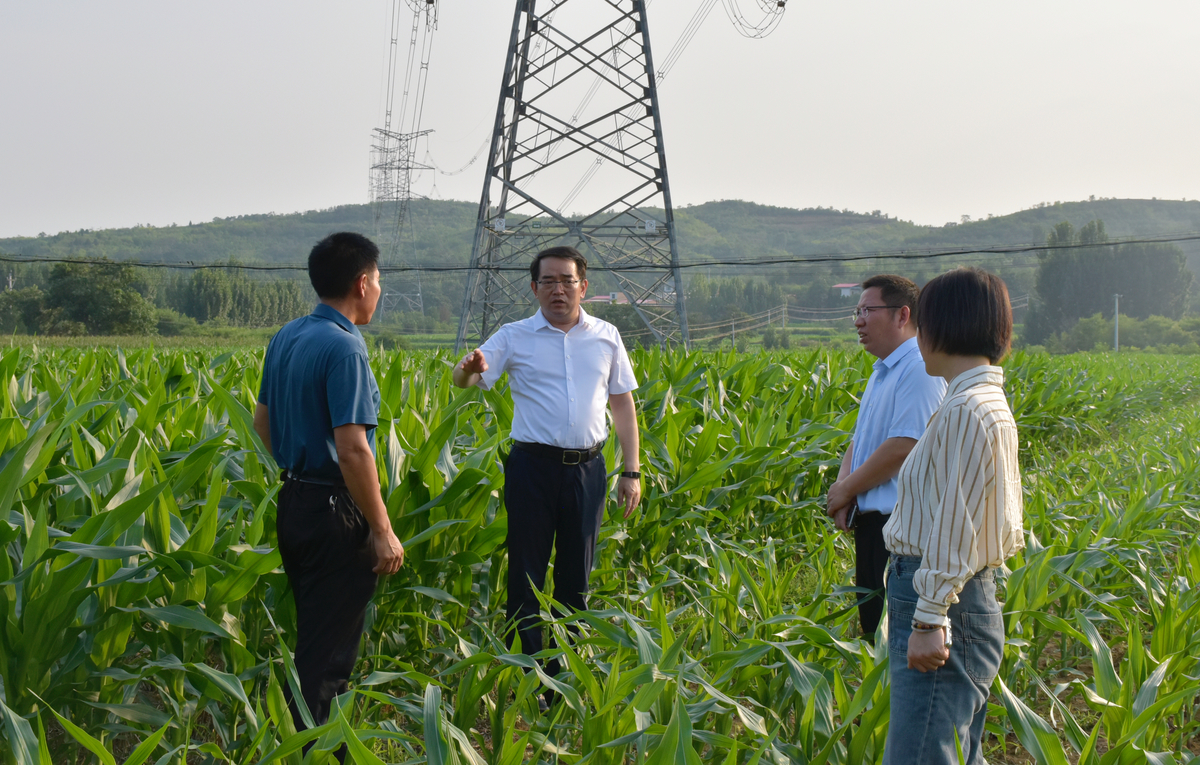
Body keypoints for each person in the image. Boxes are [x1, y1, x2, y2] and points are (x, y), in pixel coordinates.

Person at [452, 245, 642, 686]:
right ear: (534, 288)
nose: (559, 290)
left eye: (567, 281)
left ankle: (565, 673)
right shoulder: (513, 336)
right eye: (549, 282)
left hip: (588, 470)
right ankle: (530, 674)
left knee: (577, 575)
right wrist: (467, 369)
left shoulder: (606, 335)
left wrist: (630, 471)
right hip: (532, 469)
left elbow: (623, 405)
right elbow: (465, 380)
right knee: (526, 573)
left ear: (583, 286)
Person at [253, 232, 405, 754]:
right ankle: (313, 751)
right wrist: (381, 529)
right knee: (328, 660)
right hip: (336, 512)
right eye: (379, 280)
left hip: (295, 501)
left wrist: (298, 470)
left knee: (314, 641)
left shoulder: (288, 335)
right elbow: (354, 450)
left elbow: (262, 422)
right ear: (362, 283)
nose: (380, 290)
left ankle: (317, 747)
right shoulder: (344, 348)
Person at [882, 267, 1023, 765]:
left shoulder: (966, 407)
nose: (917, 337)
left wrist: (929, 617)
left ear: (944, 326)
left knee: (921, 755)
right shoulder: (982, 400)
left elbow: (955, 523)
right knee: (953, 749)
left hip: (946, 605)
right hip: (963, 602)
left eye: (922, 324)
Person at [826, 275, 945, 643]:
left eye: (867, 311)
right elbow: (862, 440)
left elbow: (904, 445)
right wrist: (844, 489)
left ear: (902, 315)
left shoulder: (919, 370)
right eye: (856, 312)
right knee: (875, 635)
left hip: (902, 530)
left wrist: (847, 489)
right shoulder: (883, 371)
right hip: (875, 526)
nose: (858, 321)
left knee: (893, 642)